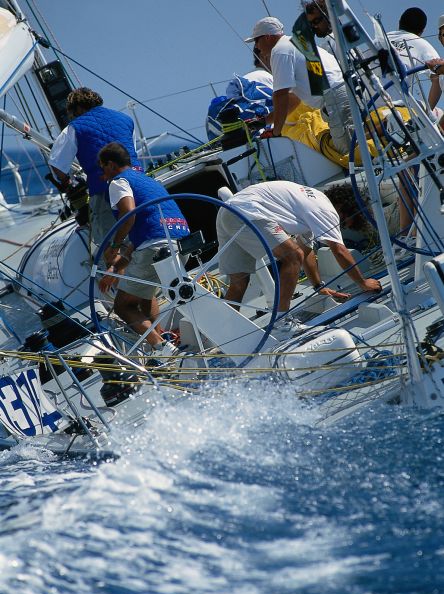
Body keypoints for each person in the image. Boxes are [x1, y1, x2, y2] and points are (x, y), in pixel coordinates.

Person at [216, 181, 381, 338]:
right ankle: (281, 323)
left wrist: (318, 286)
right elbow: (339, 250)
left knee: (238, 283)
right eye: (346, 223)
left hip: (228, 212)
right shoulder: (327, 211)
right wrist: (363, 283)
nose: (343, 226)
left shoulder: (313, 200)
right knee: (292, 256)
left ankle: (224, 336)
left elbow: (306, 249)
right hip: (248, 212)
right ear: (346, 208)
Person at [97, 142, 190, 355]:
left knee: (123, 306)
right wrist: (118, 265)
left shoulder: (117, 182)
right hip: (179, 241)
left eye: (102, 169)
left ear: (111, 165)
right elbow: (144, 237)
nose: (103, 176)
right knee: (146, 293)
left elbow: (129, 213)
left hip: (156, 247)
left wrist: (114, 244)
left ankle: (163, 350)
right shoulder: (147, 180)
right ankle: (163, 340)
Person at [246, 16, 354, 154]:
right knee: (354, 143)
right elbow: (293, 100)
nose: (256, 47)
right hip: (341, 92)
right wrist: (264, 121)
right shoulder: (295, 43)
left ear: (267, 37)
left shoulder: (279, 51)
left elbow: (281, 95)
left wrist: (276, 132)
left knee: (347, 151)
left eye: (256, 40)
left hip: (334, 98)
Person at [48, 88, 141, 245]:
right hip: (139, 184)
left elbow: (57, 164)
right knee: (142, 233)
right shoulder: (125, 119)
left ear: (77, 108)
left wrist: (67, 183)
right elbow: (131, 152)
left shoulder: (74, 128)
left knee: (111, 245)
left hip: (106, 192)